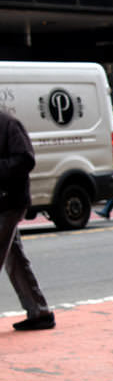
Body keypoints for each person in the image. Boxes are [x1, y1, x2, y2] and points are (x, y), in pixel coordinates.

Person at [0, 109, 55, 331]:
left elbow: (25, 159)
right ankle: (38, 311)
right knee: (15, 258)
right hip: (4, 201)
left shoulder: (9, 124)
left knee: (11, 256)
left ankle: (39, 311)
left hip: (8, 202)